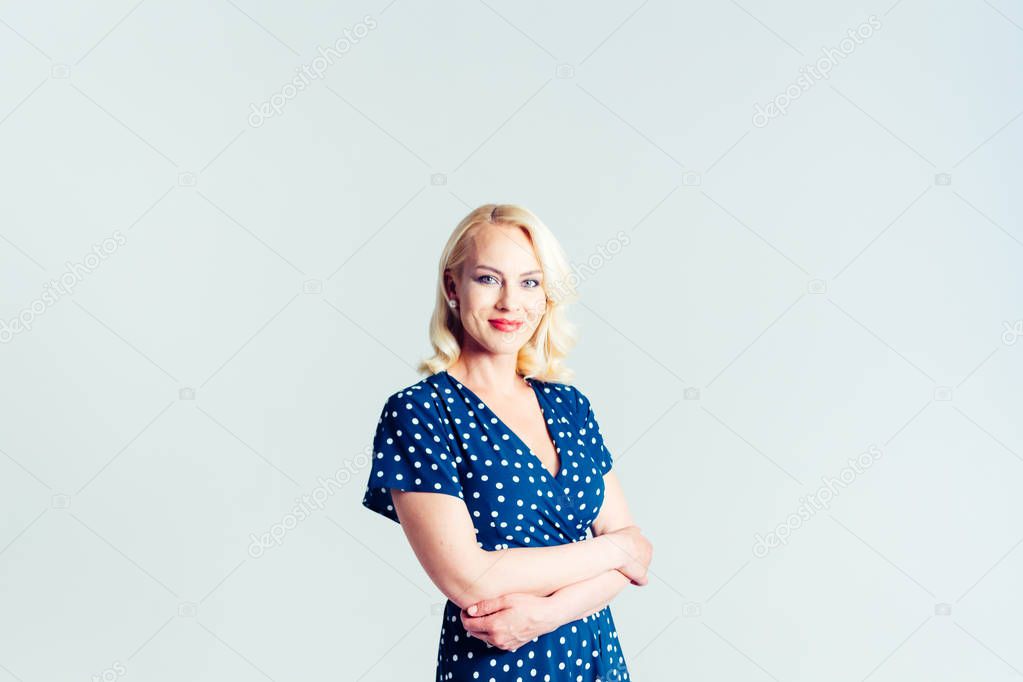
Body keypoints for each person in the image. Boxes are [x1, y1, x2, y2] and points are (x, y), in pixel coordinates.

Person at [362, 203, 653, 681]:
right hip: (497, 666)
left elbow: (635, 552)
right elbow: (469, 578)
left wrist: (545, 615)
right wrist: (616, 551)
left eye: (530, 282)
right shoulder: (420, 412)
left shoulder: (570, 407)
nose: (510, 303)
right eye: (488, 279)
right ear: (452, 287)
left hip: (595, 658)